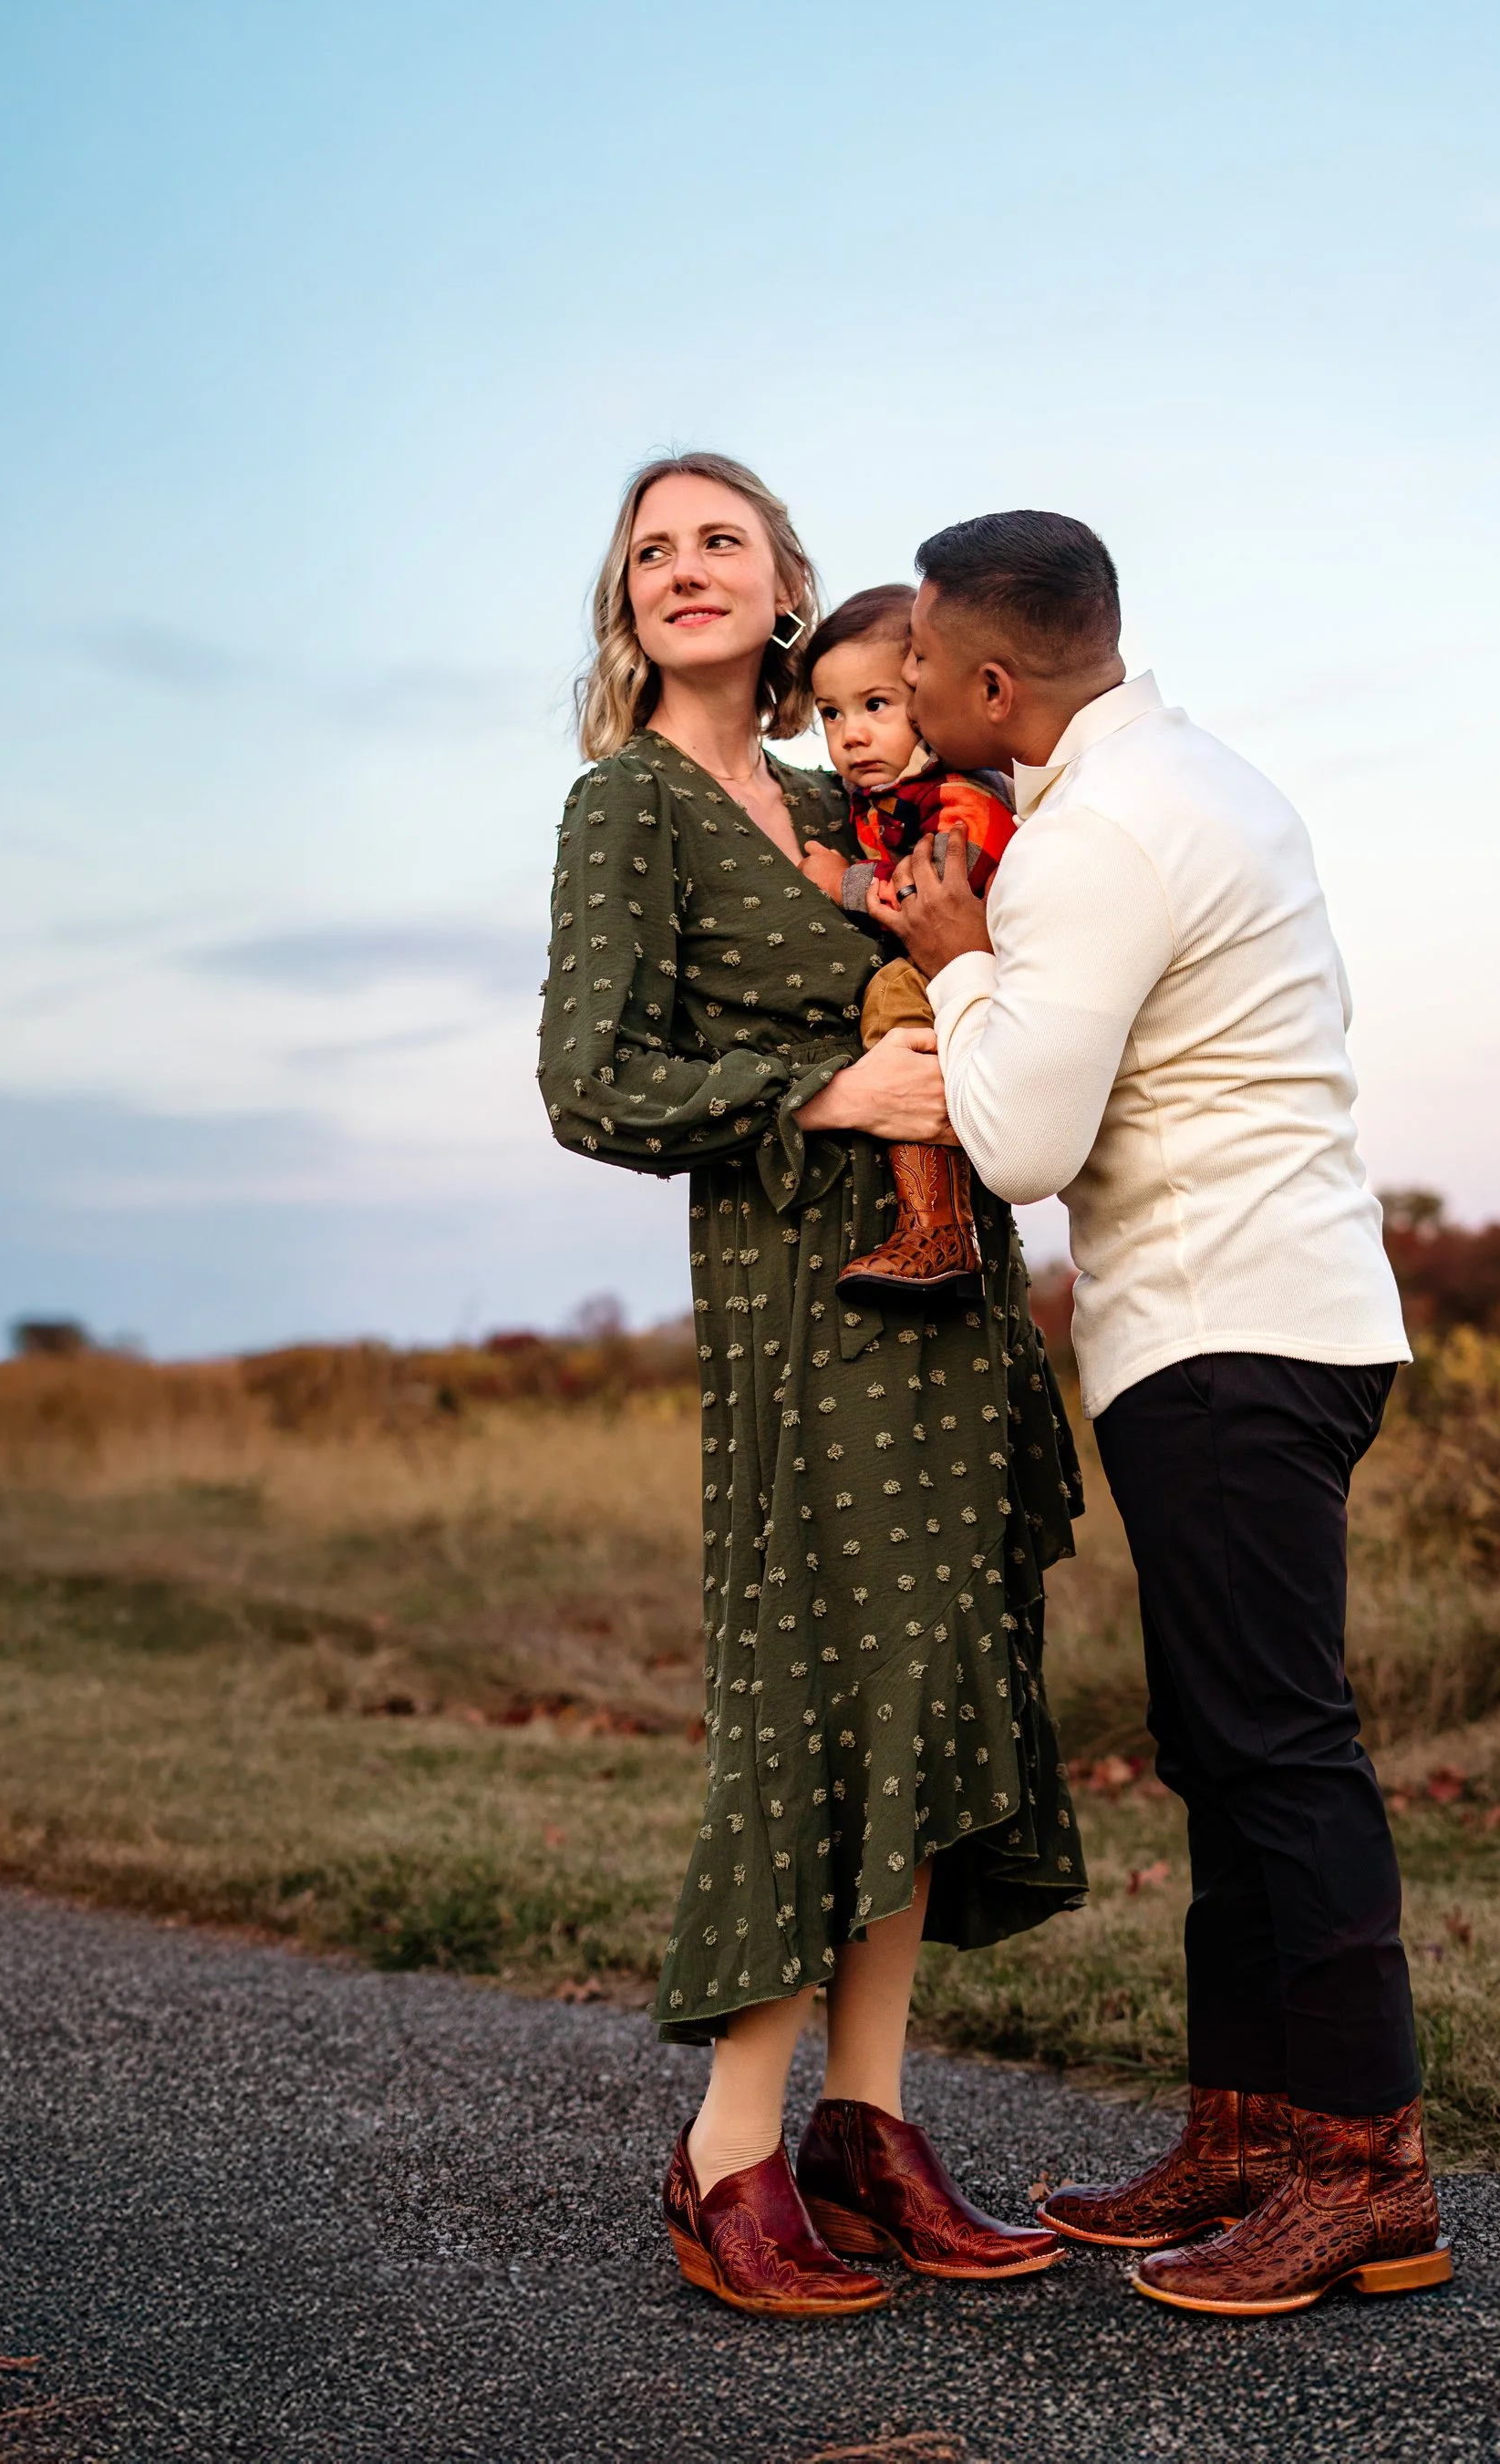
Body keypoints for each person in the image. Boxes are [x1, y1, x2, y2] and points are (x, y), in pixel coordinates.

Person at [875, 509, 1450, 2320]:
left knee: (1274, 1749)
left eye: (913, 666)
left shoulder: (1085, 841)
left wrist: (960, 956)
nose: (892, 686)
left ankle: (1363, 2170)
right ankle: (1246, 2129)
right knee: (1225, 1743)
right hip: (1285, 1314)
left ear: (988, 680)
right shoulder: (1205, 778)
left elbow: (1023, 1140)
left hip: (1219, 1331)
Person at [537, 453, 1083, 2319]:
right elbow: (591, 1085)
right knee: (802, 1698)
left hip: (946, 1300)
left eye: (717, 541)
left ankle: (867, 2122)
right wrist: (819, 1092)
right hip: (797, 1294)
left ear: (786, 587)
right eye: (649, 552)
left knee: (923, 1687)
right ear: (626, 609)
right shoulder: (626, 805)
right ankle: (728, 2149)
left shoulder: (833, 778)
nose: (683, 569)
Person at [792, 582, 1019, 1306]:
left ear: (926, 693)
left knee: (892, 994)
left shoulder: (965, 792)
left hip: (995, 969)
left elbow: (937, 895)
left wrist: (845, 884)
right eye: (831, 714)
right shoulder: (881, 796)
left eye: (876, 705)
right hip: (963, 970)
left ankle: (939, 1229)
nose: (850, 734)